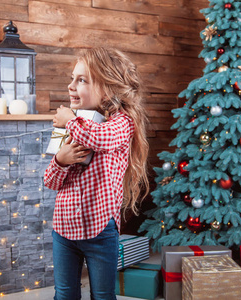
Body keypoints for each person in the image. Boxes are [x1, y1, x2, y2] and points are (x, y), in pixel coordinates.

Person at [44, 47, 150, 300]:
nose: (71, 86)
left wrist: (69, 121)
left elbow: (99, 138)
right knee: (65, 294)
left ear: (109, 87)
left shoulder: (121, 123)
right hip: (63, 229)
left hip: (100, 230)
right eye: (72, 78)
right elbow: (50, 181)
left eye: (81, 80)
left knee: (103, 295)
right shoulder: (74, 124)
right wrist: (61, 159)